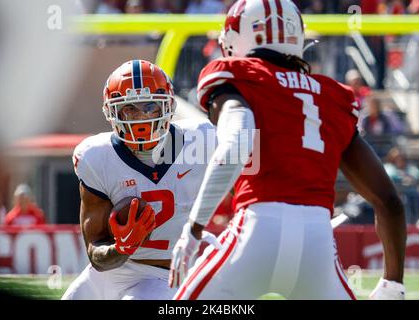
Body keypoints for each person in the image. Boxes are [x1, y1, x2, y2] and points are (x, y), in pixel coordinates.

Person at [169, 0, 406, 300]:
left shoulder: (237, 74)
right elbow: (389, 201)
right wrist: (392, 284)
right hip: (318, 245)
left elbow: (236, 145)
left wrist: (194, 230)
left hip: (255, 231)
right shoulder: (333, 96)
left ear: (238, 37)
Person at [62, 60, 217, 300]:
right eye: (130, 109)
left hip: (172, 271)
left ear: (168, 107)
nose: (140, 119)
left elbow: (253, 176)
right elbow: (96, 253)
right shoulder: (96, 157)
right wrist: (121, 247)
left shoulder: (203, 139)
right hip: (117, 269)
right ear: (111, 112)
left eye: (150, 107)